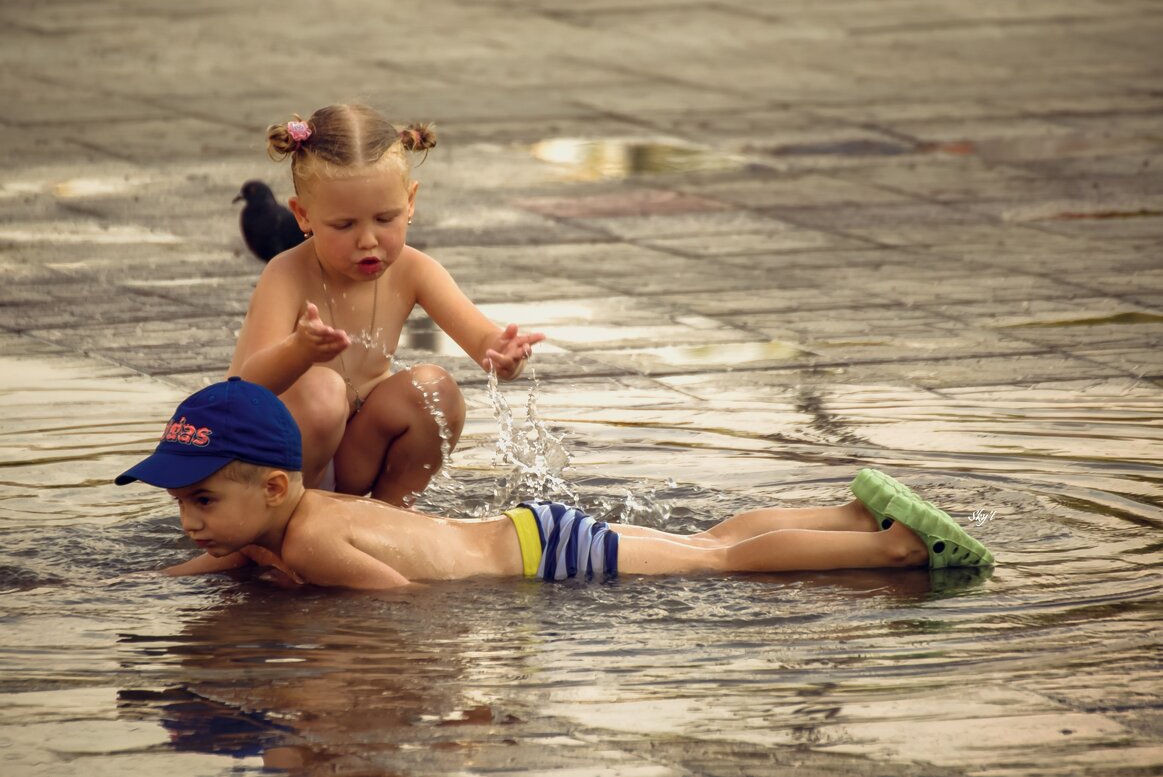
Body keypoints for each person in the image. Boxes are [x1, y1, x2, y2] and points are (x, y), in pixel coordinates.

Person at [116, 379, 996, 591]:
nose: (188, 521)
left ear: (273, 489)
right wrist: (204, 566)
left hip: (545, 560)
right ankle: (844, 507)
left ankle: (890, 545)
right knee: (714, 534)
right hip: (528, 532)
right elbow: (243, 549)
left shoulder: (303, 541)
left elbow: (397, 601)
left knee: (718, 562)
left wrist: (302, 586)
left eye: (200, 500)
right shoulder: (298, 516)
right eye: (179, 503)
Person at [229, 103, 544, 507]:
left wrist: (504, 353)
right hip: (266, 466)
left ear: (410, 203)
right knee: (323, 389)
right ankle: (271, 532)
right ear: (303, 216)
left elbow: (483, 340)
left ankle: (390, 517)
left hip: (351, 453)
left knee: (435, 390)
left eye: (385, 219)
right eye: (344, 225)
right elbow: (244, 389)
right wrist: (298, 351)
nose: (367, 240)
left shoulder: (414, 269)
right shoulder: (286, 274)